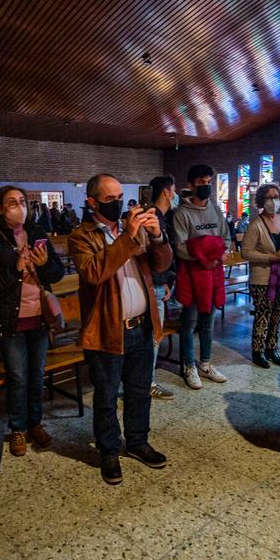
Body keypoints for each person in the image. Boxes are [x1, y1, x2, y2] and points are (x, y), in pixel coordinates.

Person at [69, 173, 172, 485]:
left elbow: (161, 265)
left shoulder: (134, 231)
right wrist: (128, 237)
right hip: (107, 331)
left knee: (140, 392)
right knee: (107, 395)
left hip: (141, 327)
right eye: (109, 200)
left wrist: (157, 236)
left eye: (119, 198)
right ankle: (109, 451)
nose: (118, 204)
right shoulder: (81, 236)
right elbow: (94, 273)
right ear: (92, 202)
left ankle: (138, 442)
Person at [0, 186, 65, 457]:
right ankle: (18, 428)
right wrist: (15, 270)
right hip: (9, 318)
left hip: (39, 317)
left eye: (22, 201)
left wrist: (45, 263)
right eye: (11, 202)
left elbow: (56, 274)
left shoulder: (36, 233)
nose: (19, 206)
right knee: (18, 376)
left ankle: (35, 422)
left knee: (37, 374)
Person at [173, 165, 231, 390]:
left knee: (208, 321)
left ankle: (205, 363)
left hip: (213, 271)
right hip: (193, 273)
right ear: (190, 185)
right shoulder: (182, 213)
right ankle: (189, 366)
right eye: (200, 183)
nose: (205, 186)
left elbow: (225, 237)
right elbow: (180, 246)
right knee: (190, 322)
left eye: (208, 182)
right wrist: (202, 257)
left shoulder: (215, 210)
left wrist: (219, 255)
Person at [241, 183, 280, 369]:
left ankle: (272, 348)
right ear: (262, 201)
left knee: (277, 314)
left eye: (276, 197)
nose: (273, 201)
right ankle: (258, 351)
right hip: (262, 278)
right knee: (263, 315)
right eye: (269, 198)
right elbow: (246, 252)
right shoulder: (256, 225)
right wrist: (270, 257)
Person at [147, 175, 178, 401]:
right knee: (152, 338)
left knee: (152, 338)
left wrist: (166, 280)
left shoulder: (162, 217)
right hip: (150, 288)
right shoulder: (152, 219)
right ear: (167, 192)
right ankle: (146, 383)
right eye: (174, 190)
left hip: (158, 284)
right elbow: (149, 257)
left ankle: (145, 381)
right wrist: (160, 281)